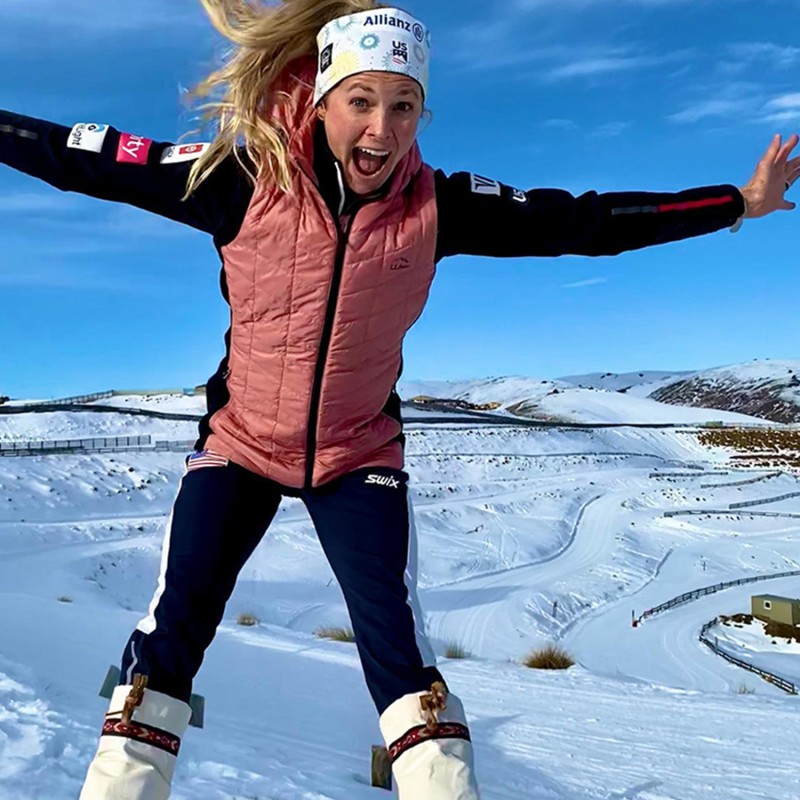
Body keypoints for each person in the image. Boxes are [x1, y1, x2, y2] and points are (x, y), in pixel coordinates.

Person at [1, 1, 798, 798]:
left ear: (423, 113)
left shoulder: (437, 206)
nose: (382, 131)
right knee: (171, 635)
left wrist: (737, 202)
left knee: (399, 656)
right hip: (240, 445)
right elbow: (87, 154)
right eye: (362, 102)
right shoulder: (242, 182)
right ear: (321, 99)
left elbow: (584, 221)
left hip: (357, 456)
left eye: (404, 105)